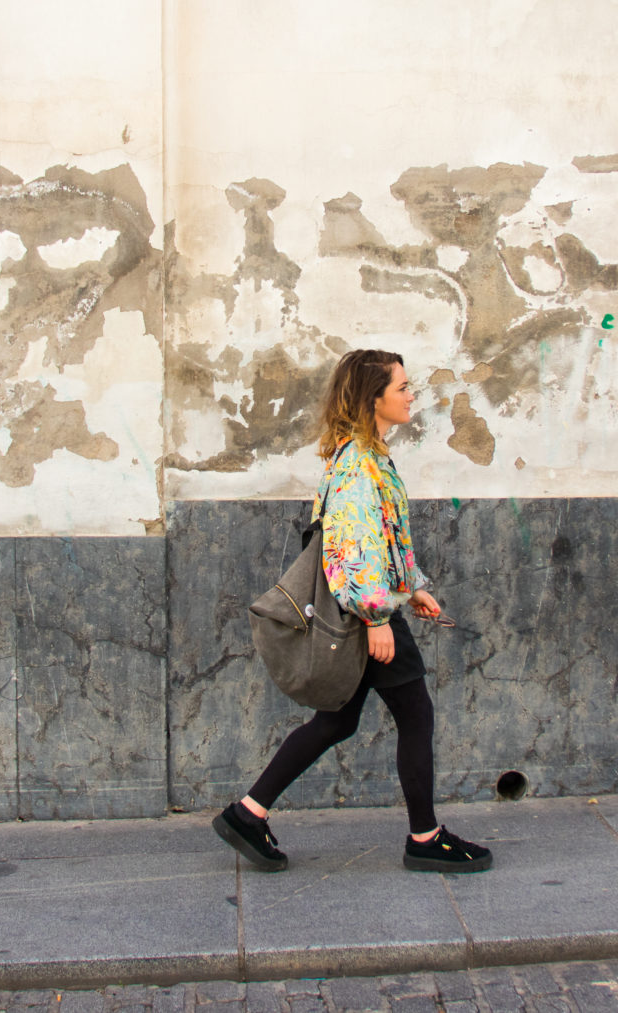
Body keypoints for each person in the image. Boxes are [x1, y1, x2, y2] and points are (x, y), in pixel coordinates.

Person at [212, 348, 494, 875]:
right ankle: (425, 837)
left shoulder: (367, 455)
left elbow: (382, 535)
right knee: (415, 715)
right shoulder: (360, 465)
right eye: (403, 388)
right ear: (373, 398)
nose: (412, 396)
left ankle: (248, 813)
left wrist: (412, 588)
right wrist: (380, 619)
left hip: (375, 609)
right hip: (368, 616)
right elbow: (347, 549)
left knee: (337, 721)